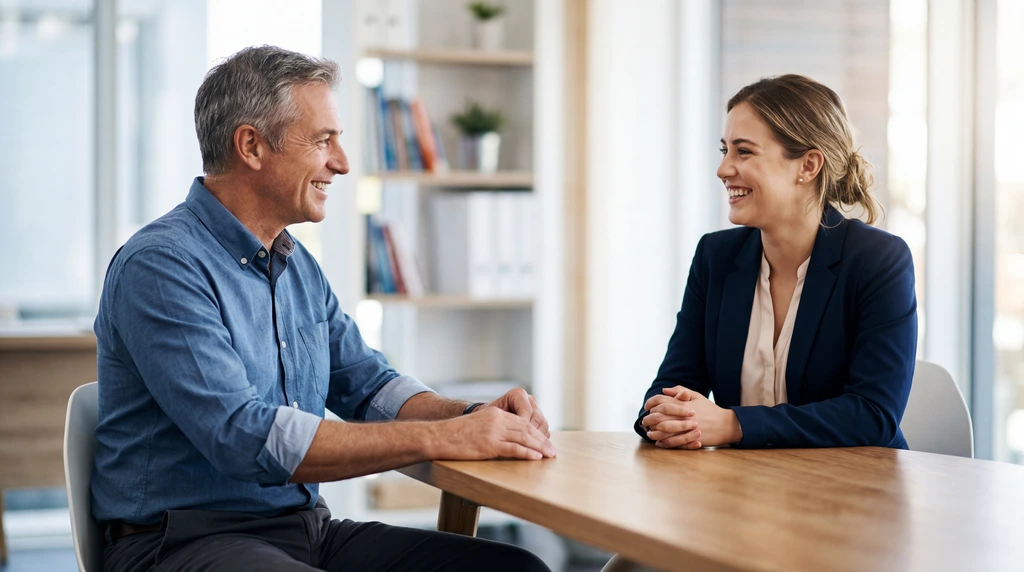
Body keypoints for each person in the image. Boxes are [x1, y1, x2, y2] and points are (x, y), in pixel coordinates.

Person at [91, 45, 554, 572]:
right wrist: (445, 437)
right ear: (251, 146)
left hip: (302, 530)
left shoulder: (296, 265)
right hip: (180, 543)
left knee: (516, 569)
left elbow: (371, 387)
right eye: (322, 140)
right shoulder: (162, 266)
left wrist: (472, 416)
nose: (342, 162)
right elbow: (242, 436)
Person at [605, 74, 917, 572]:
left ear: (807, 166)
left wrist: (731, 423)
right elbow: (668, 390)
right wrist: (668, 416)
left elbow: (872, 414)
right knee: (630, 565)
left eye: (744, 151)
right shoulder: (716, 257)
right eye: (725, 149)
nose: (723, 168)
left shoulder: (878, 260)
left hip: (851, 513)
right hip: (738, 501)